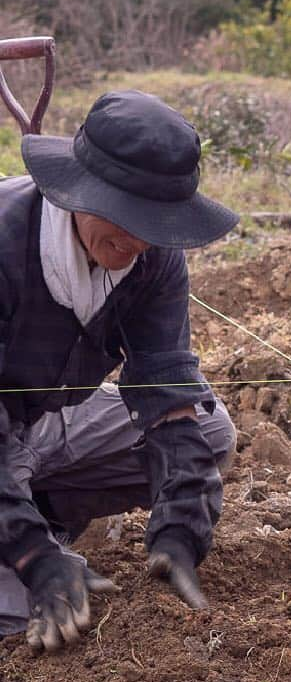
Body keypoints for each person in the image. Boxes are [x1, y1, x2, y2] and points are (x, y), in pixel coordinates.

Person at [0, 90, 239, 653]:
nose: (138, 239)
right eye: (127, 217)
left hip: (32, 427)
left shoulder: (152, 255)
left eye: (156, 223)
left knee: (210, 433)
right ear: (77, 192)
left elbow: (165, 384)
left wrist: (182, 520)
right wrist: (36, 559)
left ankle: (40, 518)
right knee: (21, 611)